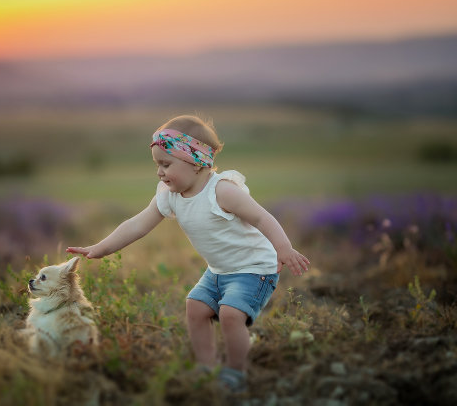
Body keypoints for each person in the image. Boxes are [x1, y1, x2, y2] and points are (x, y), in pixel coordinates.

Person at [67, 115, 309, 393]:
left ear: (196, 162)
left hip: (254, 268)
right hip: (218, 270)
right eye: (157, 165)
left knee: (231, 315)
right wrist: (101, 248)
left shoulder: (222, 191)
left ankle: (235, 372)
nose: (159, 172)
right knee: (195, 308)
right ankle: (206, 367)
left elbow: (262, 218)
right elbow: (137, 224)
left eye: (165, 164)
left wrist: (283, 248)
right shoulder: (169, 194)